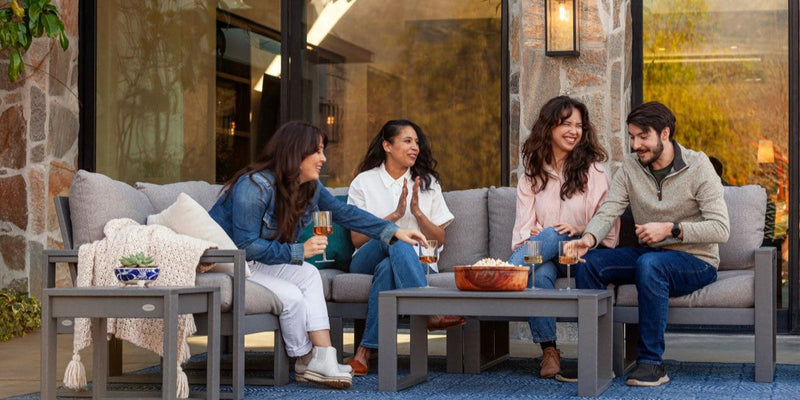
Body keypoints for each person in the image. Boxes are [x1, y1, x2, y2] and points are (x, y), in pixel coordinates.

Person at [208, 121, 428, 389]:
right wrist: (298, 250)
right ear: (296, 153)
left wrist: (392, 231)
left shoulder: (307, 185)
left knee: (310, 273)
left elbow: (344, 212)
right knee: (290, 296)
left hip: (259, 261)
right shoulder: (253, 187)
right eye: (318, 151)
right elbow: (245, 246)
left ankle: (324, 358)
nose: (324, 158)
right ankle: (304, 360)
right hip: (230, 262)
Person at [571, 101, 730, 387]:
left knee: (650, 264)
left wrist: (672, 229)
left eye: (643, 137)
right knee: (590, 263)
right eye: (632, 137)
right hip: (651, 256)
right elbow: (609, 209)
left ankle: (651, 363)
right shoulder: (631, 167)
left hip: (696, 260)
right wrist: (588, 238)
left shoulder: (699, 166)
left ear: (665, 133)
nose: (636, 145)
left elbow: (721, 228)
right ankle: (597, 360)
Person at [507, 96, 619, 380]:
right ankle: (549, 351)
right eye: (566, 123)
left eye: (579, 125)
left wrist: (579, 229)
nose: (574, 131)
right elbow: (522, 229)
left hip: (580, 253)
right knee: (538, 271)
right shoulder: (531, 175)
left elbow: (609, 226)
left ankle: (502, 276)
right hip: (542, 254)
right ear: (549, 127)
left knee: (554, 232)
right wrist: (536, 234)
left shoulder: (594, 171)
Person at [345, 119, 462, 375]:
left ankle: (364, 353)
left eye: (417, 142)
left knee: (390, 264)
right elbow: (356, 239)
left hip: (414, 261)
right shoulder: (364, 182)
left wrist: (418, 213)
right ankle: (429, 311)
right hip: (366, 259)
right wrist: (394, 217)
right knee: (395, 238)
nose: (415, 147)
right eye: (407, 141)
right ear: (387, 145)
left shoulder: (427, 183)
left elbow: (439, 238)